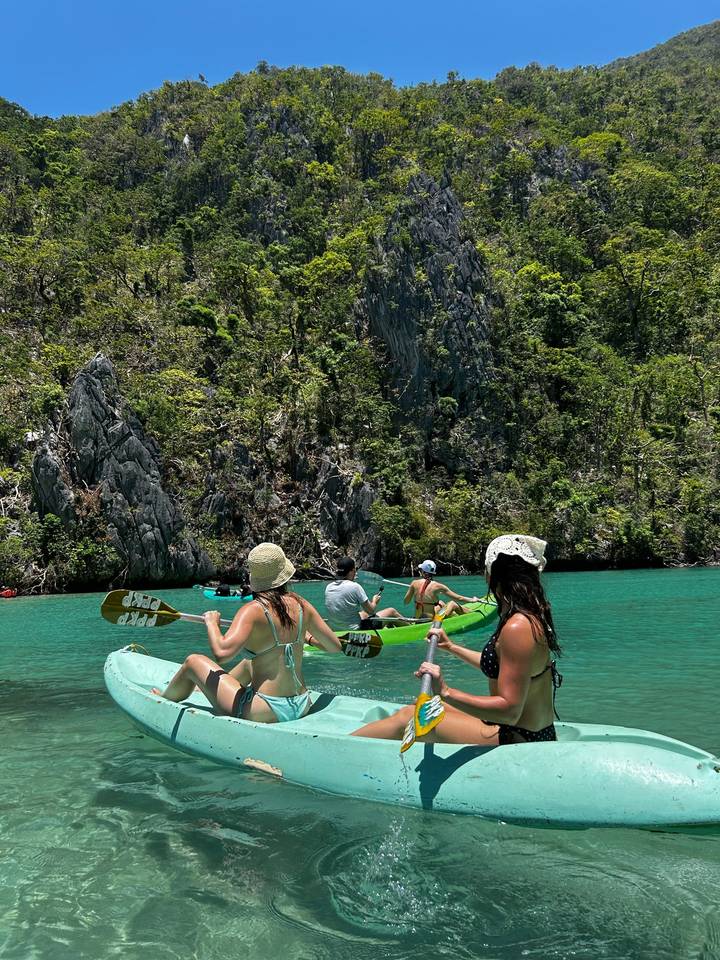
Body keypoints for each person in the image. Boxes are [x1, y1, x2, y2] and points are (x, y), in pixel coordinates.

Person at [352, 534, 562, 746]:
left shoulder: (518, 626)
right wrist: (451, 647)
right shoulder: (527, 616)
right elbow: (503, 666)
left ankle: (336, 747)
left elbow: (510, 711)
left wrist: (446, 691)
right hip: (518, 728)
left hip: (517, 736)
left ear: (493, 575)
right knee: (421, 706)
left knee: (409, 718)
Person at [152, 543, 343, 722]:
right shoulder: (302, 604)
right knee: (249, 663)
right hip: (302, 704)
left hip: (265, 710)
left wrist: (212, 623)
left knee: (193, 661)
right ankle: (207, 689)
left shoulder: (252, 610)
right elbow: (334, 646)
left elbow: (222, 653)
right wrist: (307, 637)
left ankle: (165, 697)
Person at [324, 557, 406, 631]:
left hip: (335, 629)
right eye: (354, 569)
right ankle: (412, 627)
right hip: (355, 629)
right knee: (391, 611)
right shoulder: (355, 587)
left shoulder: (329, 587)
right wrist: (374, 601)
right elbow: (371, 611)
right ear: (352, 571)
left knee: (363, 613)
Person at [404, 560, 481, 621]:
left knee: (440, 603)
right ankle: (474, 615)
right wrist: (472, 600)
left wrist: (413, 589)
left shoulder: (414, 583)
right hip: (433, 621)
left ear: (422, 571)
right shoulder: (438, 586)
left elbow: (406, 602)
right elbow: (458, 598)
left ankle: (454, 614)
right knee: (452, 603)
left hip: (418, 620)